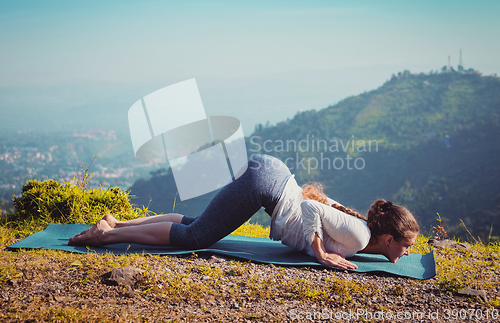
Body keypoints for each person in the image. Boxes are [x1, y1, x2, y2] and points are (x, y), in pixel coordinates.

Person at [69, 155, 419, 269]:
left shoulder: (362, 236)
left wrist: (319, 247)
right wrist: (320, 252)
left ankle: (117, 223)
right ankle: (108, 236)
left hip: (271, 177)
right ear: (388, 238)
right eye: (406, 245)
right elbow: (311, 207)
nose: (408, 251)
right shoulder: (360, 236)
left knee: (197, 225)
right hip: (267, 184)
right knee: (194, 238)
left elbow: (315, 209)